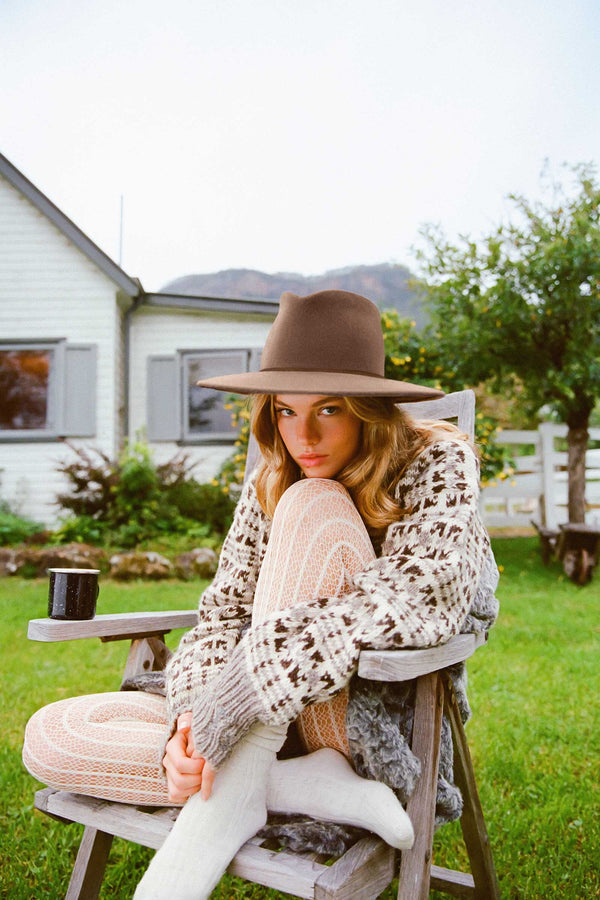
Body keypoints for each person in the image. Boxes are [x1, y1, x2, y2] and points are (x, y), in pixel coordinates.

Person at [23, 290, 499, 900]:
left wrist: (243, 689)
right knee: (55, 732)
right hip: (258, 719)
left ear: (369, 410)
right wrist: (192, 723)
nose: (303, 435)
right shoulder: (270, 480)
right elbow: (221, 615)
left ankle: (235, 795)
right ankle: (285, 783)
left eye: (328, 409)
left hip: (354, 719)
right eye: (283, 410)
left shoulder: (437, 463)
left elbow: (421, 594)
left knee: (315, 502)